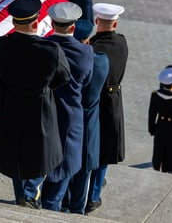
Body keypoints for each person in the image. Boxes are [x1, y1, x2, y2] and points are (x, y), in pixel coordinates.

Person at [0, 0, 71, 209]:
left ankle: (22, 195)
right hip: (39, 107)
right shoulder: (50, 50)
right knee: (38, 153)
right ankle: (30, 197)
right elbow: (64, 77)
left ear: (14, 23)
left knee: (16, 153)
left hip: (10, 105)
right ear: (36, 23)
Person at [41, 3, 94, 211]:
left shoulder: (43, 45)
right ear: (73, 27)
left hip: (44, 114)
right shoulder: (85, 52)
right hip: (70, 117)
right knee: (63, 172)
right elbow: (87, 82)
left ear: (52, 24)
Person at [86, 3, 129, 213]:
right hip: (115, 99)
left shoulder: (93, 47)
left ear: (96, 22)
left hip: (97, 100)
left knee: (94, 148)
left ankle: (91, 194)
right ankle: (95, 193)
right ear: (116, 23)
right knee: (106, 149)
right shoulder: (122, 42)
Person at [66, 19, 109, 215]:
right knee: (84, 171)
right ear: (88, 39)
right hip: (89, 122)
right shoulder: (100, 60)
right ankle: (77, 210)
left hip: (66, 120)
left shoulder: (62, 58)